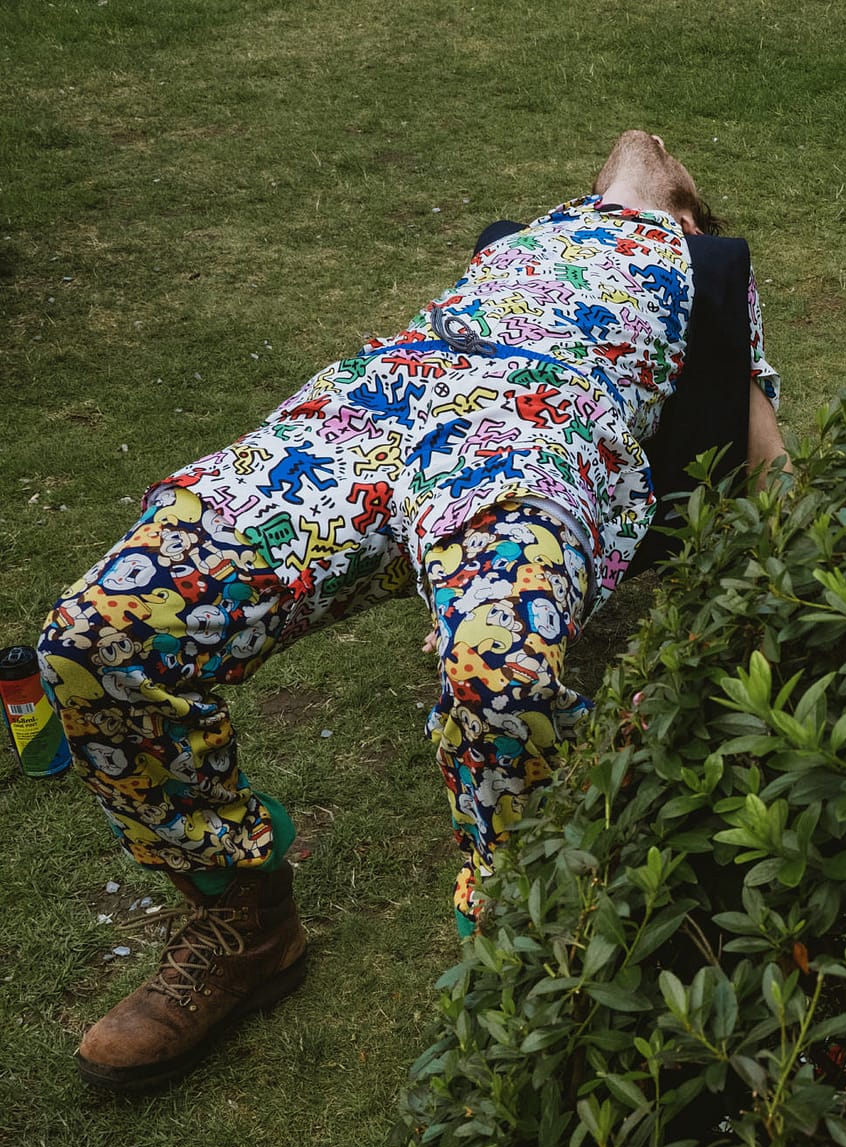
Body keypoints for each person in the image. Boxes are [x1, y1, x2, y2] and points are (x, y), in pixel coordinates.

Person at [38, 130, 782, 1092]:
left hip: (533, 434)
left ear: (686, 209)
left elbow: (760, 442)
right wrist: (626, 180)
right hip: (365, 415)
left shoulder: (709, 267)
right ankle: (242, 916)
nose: (648, 148)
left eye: (668, 176)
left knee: (498, 681)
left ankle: (532, 965)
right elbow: (633, 150)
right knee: (99, 637)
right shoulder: (520, 240)